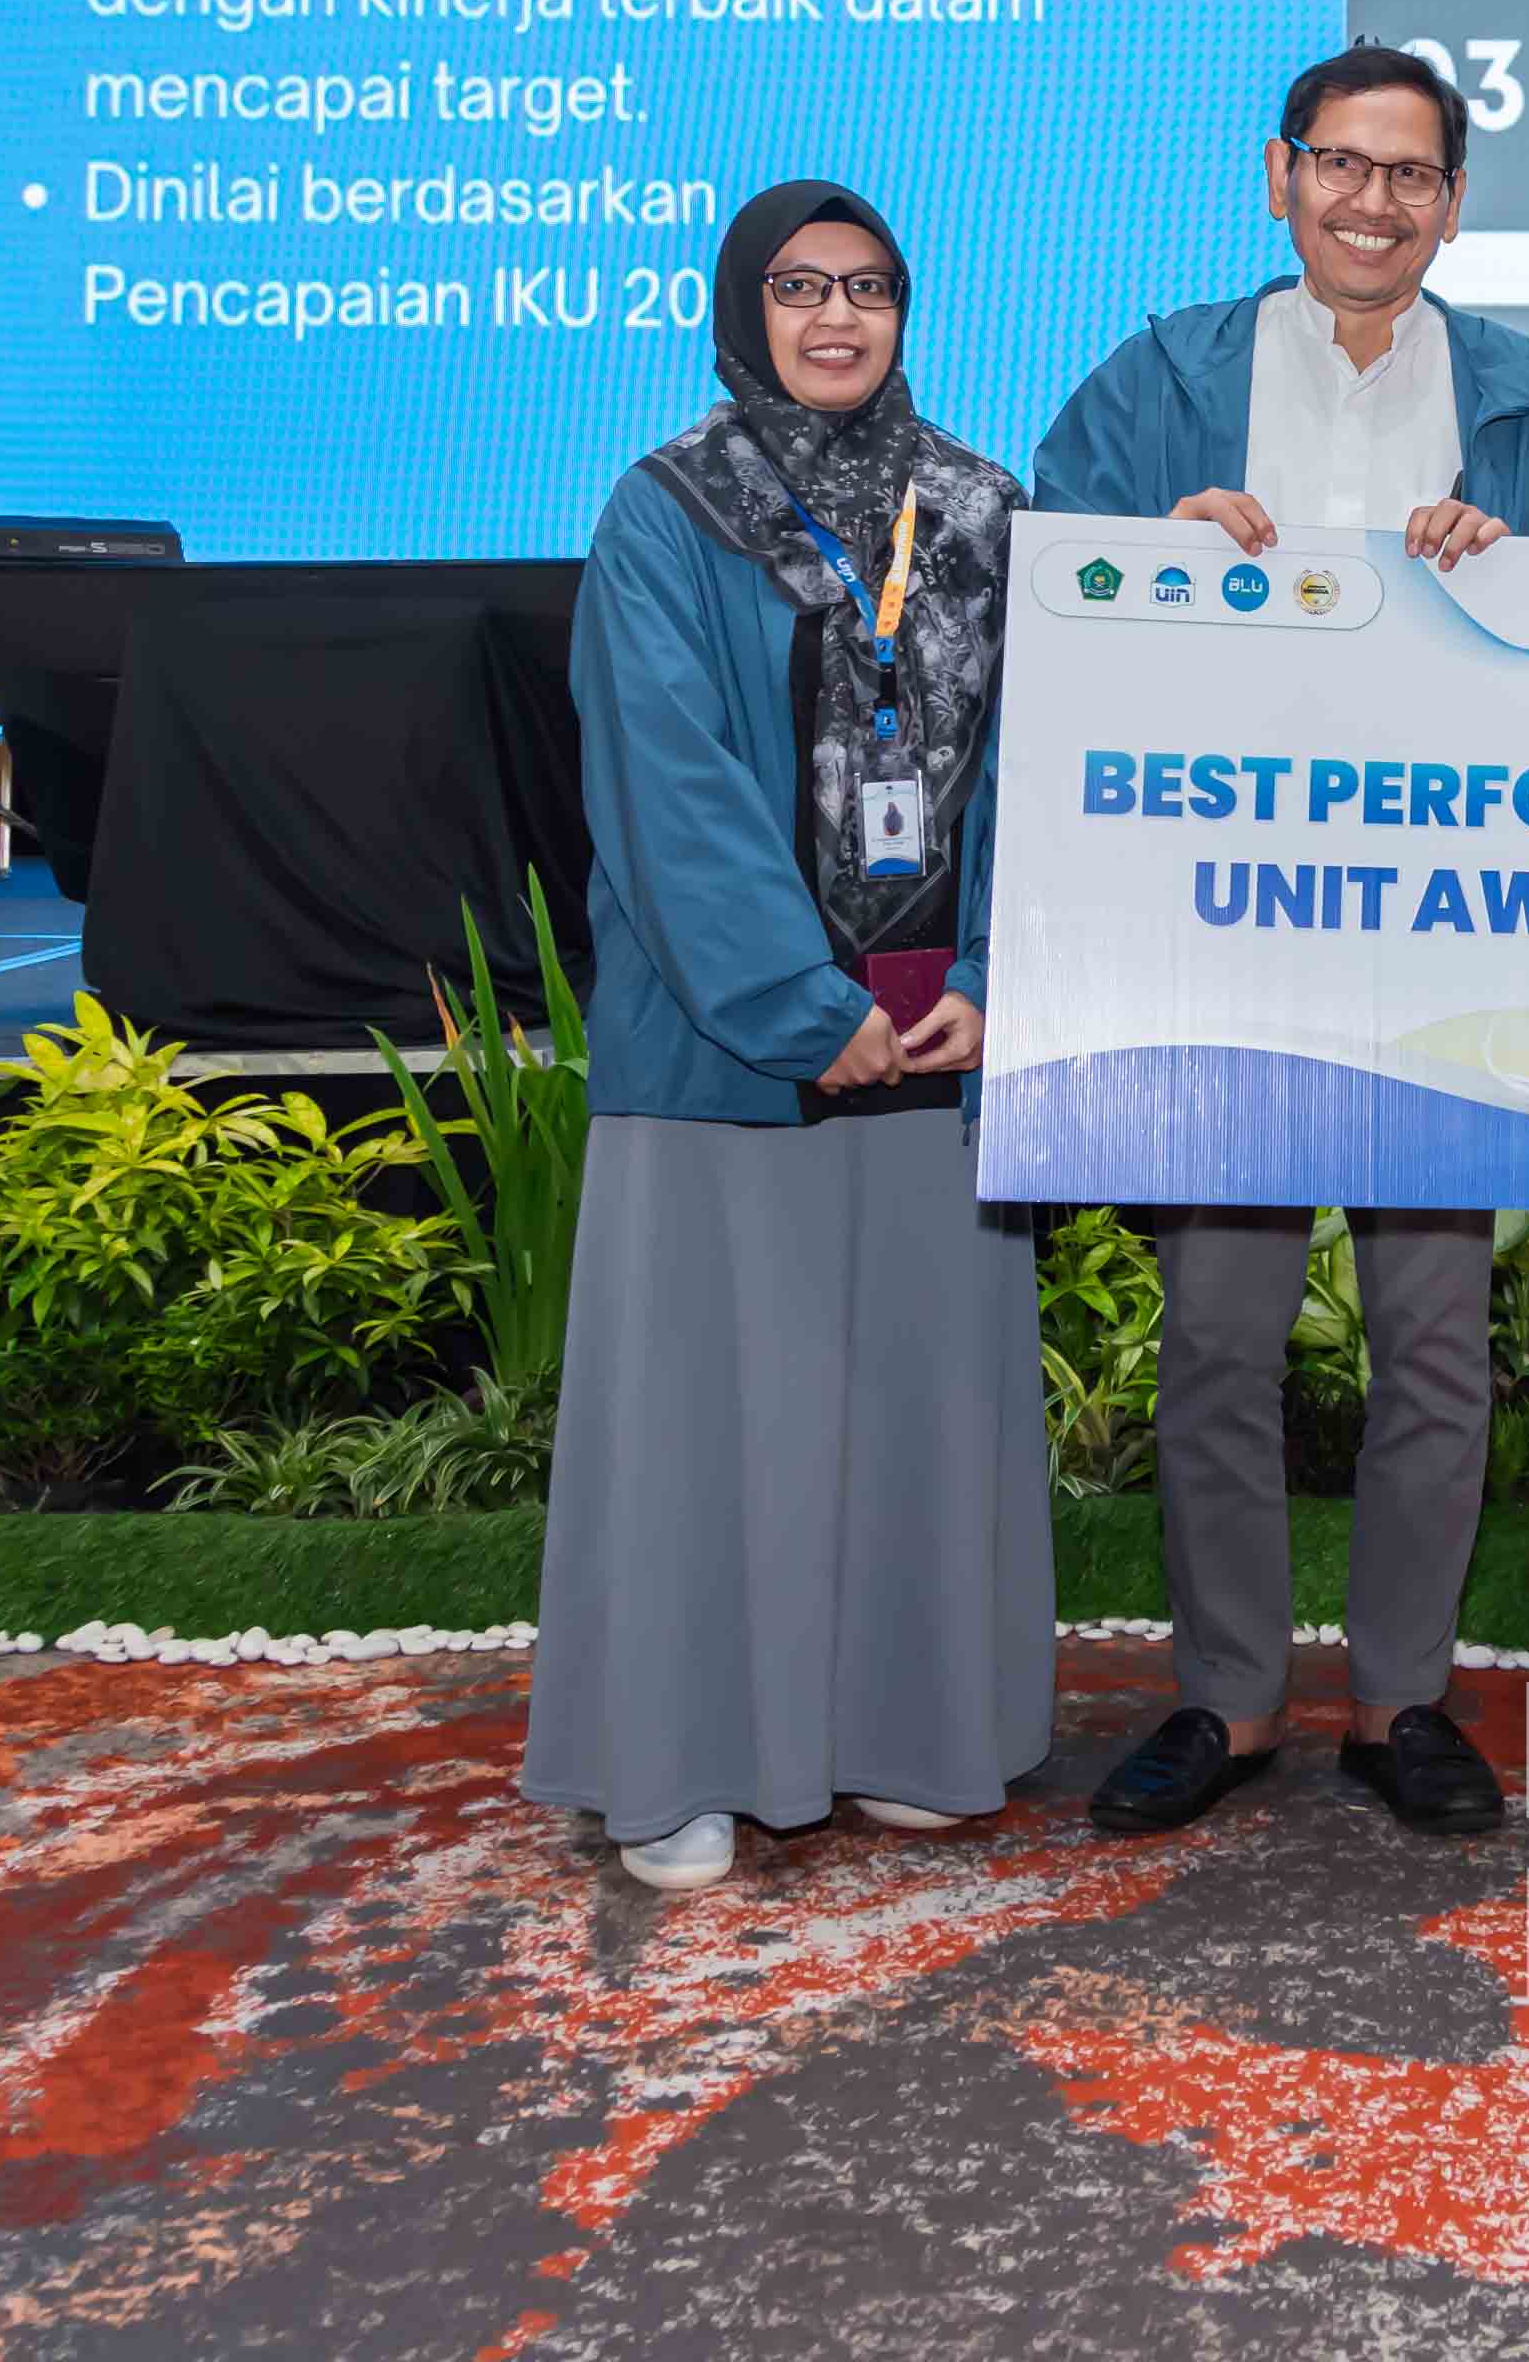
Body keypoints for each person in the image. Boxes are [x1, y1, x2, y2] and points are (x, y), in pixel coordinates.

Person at [1031, 43, 1529, 1840]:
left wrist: (1518, 578)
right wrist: (1153, 550)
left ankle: (1401, 1698)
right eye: (1343, 165)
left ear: (1456, 203)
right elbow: (1046, 583)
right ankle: (1225, 1698)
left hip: (1444, 946)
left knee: (1432, 1345)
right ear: (1281, 174)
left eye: (1412, 174)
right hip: (1224, 936)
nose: (1375, 202)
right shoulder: (1167, 375)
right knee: (1219, 1343)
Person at [526, 180, 1045, 1895]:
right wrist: (801, 1011)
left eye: (870, 288)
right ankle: (679, 1763)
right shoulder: (668, 511)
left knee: (913, 1406)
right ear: (744, 306)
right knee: (709, 1415)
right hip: (732, 1055)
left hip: (939, 1050)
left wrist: (997, 970)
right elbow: (663, 789)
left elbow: (1042, 769)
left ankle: (907, 1730)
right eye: (803, 287)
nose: (838, 318)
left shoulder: (984, 509)